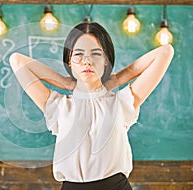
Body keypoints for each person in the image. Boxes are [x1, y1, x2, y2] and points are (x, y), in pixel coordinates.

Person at [9, 22, 174, 189]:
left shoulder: (121, 101)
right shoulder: (58, 105)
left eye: (96, 54)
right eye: (79, 54)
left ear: (105, 61)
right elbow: (17, 61)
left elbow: (165, 52)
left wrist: (116, 79)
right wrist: (66, 83)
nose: (87, 61)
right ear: (69, 60)